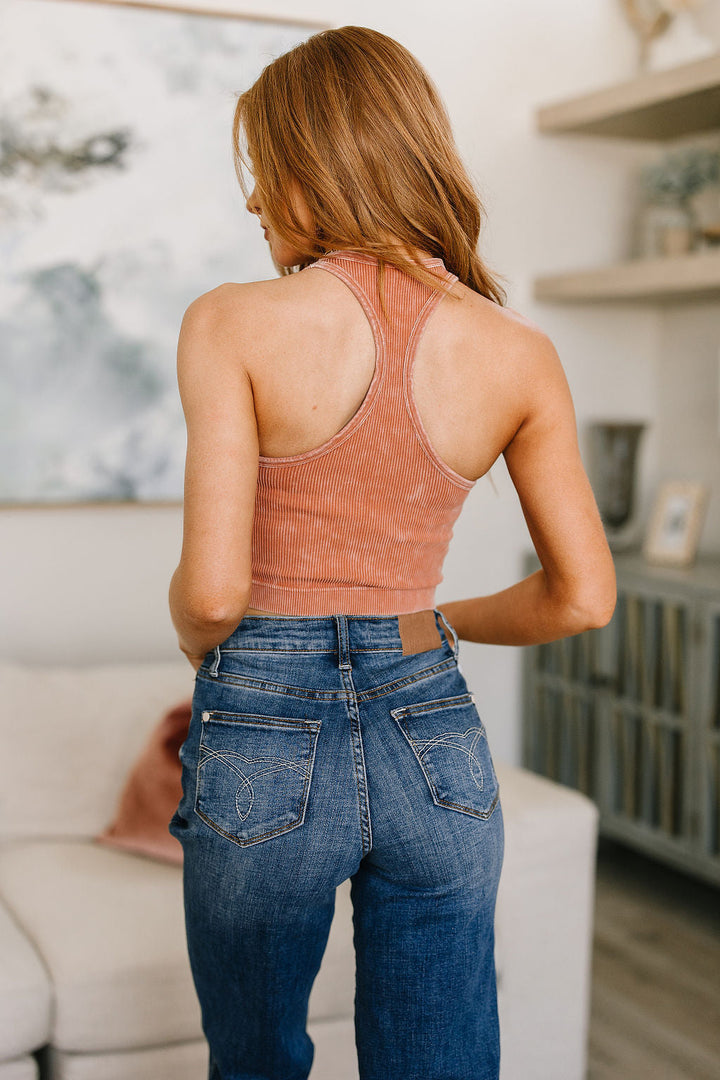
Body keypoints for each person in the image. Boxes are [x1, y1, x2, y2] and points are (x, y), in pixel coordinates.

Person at [167, 24, 616, 1080]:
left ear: (316, 169)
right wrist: (434, 624)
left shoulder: (230, 323)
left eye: (266, 172)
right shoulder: (519, 352)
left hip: (262, 724)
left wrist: (205, 644)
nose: (253, 203)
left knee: (256, 1061)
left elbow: (216, 590)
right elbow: (584, 597)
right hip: (436, 730)